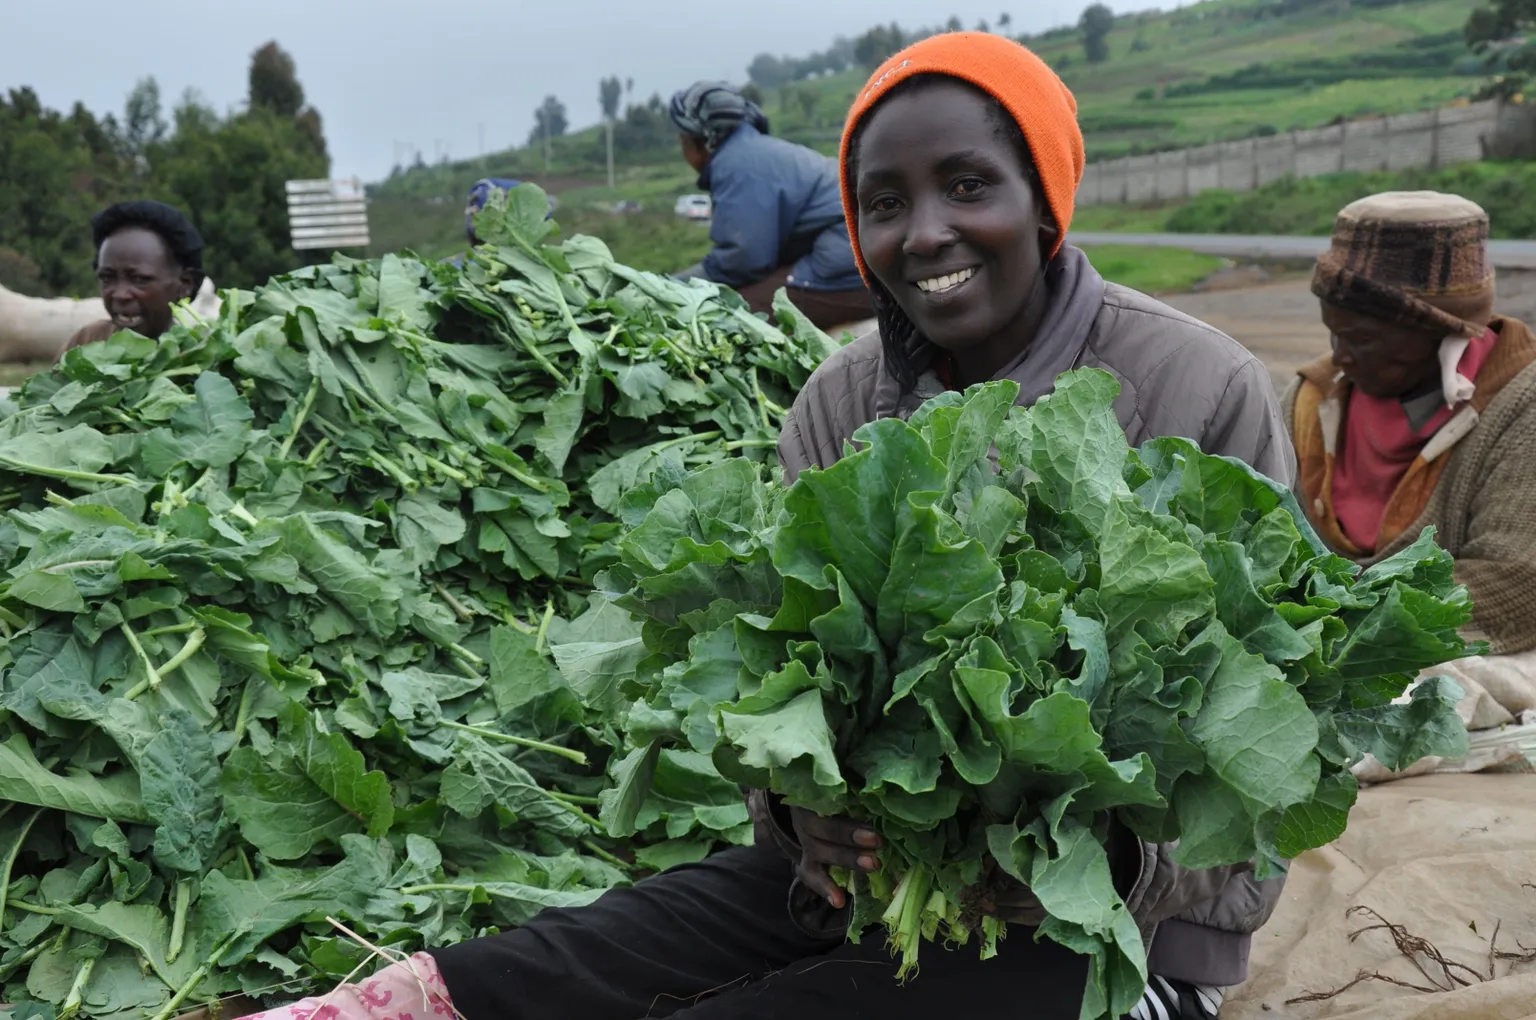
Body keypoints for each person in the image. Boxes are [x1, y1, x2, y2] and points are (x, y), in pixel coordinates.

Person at [236, 34, 1290, 1020]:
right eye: (884, 203)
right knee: (568, 960)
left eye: (970, 186)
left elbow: (1278, 749)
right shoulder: (838, 402)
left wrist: (1105, 860)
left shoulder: (1196, 385)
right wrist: (801, 817)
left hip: (1108, 941)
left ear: (1045, 194)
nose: (925, 234)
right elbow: (784, 687)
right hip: (884, 881)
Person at [1284, 192, 1536, 654]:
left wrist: (1339, 624)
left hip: (1474, 654)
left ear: (1446, 332)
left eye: (1361, 338)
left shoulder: (1523, 407)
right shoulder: (1312, 398)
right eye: (1333, 330)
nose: (1339, 353)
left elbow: (1516, 581)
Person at [669, 80, 872, 329]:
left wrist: (668, 286)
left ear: (702, 141)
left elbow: (742, 261)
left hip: (844, 262)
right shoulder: (753, 151)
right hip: (850, 251)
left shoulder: (737, 164)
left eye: (682, 139)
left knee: (733, 317)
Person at [59, 200, 209, 358]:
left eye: (139, 279)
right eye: (107, 278)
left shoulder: (199, 362)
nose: (120, 294)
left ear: (185, 285)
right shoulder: (87, 343)